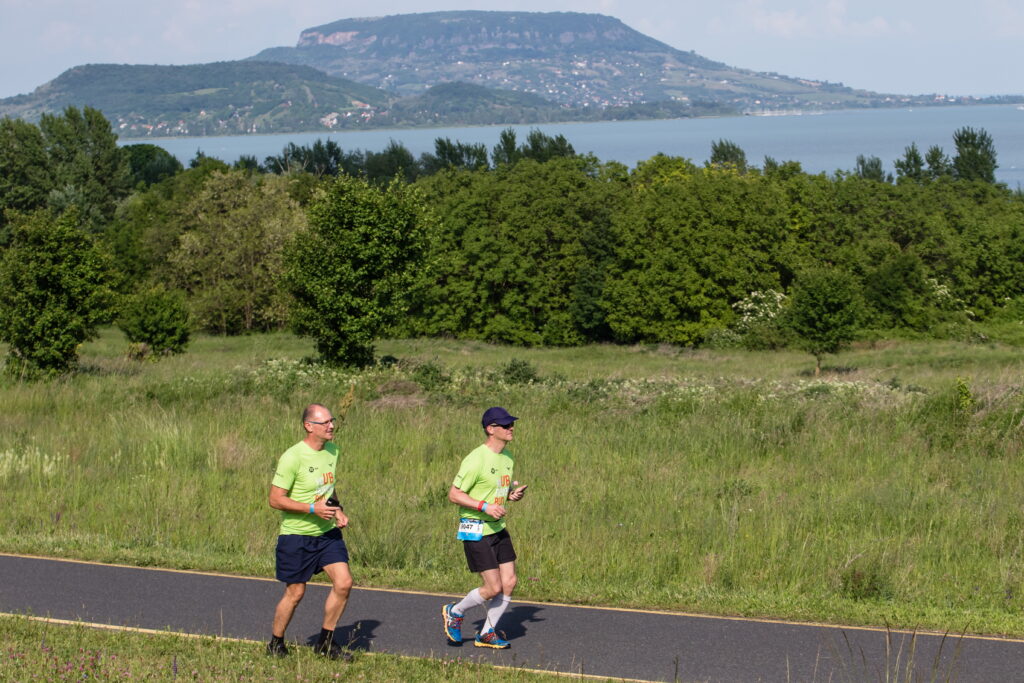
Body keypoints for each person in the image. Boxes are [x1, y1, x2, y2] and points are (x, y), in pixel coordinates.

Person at [266, 403, 352, 660]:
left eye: (332, 420)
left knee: (344, 583)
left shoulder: (333, 451)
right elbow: (275, 499)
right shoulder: (292, 457)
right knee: (295, 593)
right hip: (297, 535)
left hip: (326, 534)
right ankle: (276, 643)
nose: (331, 426)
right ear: (309, 426)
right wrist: (312, 509)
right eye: (325, 422)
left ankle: (325, 643)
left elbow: (329, 489)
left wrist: (337, 509)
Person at [442, 406, 529, 649]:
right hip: (476, 527)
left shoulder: (508, 457)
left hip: (498, 526)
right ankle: (455, 611)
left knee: (509, 582)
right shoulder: (475, 459)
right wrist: (484, 506)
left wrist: (510, 496)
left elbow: (494, 491)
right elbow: (454, 494)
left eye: (511, 424)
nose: (511, 428)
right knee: (493, 587)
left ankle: (487, 633)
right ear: (491, 429)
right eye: (505, 425)